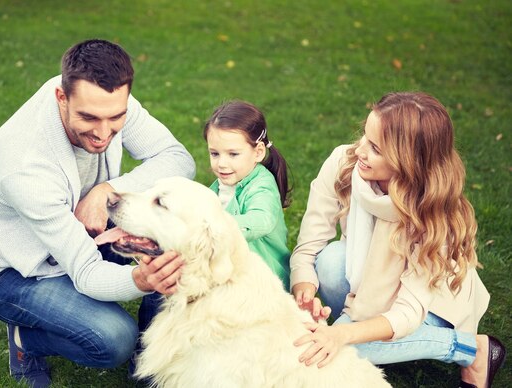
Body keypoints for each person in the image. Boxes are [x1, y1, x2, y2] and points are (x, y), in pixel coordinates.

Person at [0, 39, 195, 387]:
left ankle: (149, 360)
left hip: (89, 234)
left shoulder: (103, 97)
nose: (104, 133)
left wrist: (108, 190)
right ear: (62, 97)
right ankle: (26, 341)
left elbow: (178, 159)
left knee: (173, 238)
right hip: (20, 272)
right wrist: (141, 281)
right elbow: (86, 271)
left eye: (116, 118)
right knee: (113, 338)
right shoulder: (24, 168)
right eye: (89, 118)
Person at [290, 92, 506, 387]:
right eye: (365, 137)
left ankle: (471, 348)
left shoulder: (432, 210)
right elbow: (310, 242)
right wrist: (303, 286)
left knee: (345, 349)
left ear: (411, 162)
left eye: (376, 148)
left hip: (431, 306)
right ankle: (363, 328)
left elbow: (407, 312)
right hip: (371, 284)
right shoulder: (345, 163)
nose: (361, 152)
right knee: (328, 262)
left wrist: (342, 334)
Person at [203, 100, 291, 290]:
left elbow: (261, 220)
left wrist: (215, 227)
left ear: (258, 152)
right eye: (215, 154)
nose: (222, 164)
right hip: (231, 272)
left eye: (233, 154)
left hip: (264, 279)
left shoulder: (262, 186)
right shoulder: (219, 186)